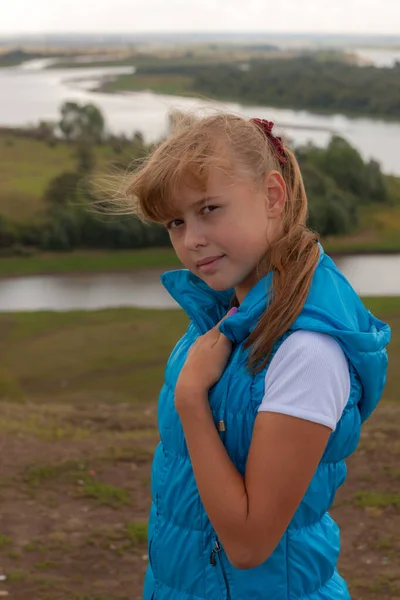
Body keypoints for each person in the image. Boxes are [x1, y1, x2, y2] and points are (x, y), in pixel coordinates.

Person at [123, 113, 390, 599]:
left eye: (209, 209)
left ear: (272, 196)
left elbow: (248, 544)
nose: (191, 239)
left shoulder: (308, 349)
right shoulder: (228, 312)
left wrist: (190, 399)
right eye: (176, 222)